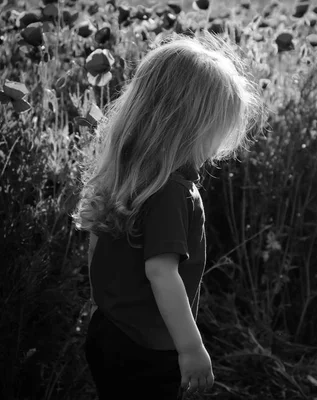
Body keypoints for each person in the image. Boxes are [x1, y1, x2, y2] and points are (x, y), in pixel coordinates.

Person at [72, 30, 266, 399]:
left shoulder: (130, 172)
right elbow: (161, 273)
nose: (222, 140)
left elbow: (98, 244)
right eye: (219, 127)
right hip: (147, 346)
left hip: (110, 329)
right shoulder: (171, 192)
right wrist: (191, 349)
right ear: (190, 125)